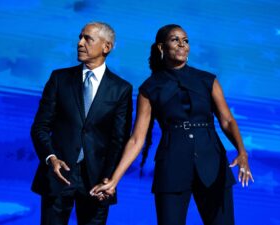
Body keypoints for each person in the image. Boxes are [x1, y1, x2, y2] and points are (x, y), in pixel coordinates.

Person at [90, 24, 253, 225]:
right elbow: (136, 139)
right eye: (175, 40)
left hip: (212, 163)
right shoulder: (149, 88)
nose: (182, 44)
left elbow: (227, 120)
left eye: (185, 40)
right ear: (161, 47)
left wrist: (242, 152)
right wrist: (114, 180)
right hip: (172, 166)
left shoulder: (207, 80)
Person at [30, 22, 133, 225]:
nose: (80, 43)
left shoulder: (121, 89)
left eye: (88, 38)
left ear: (106, 47)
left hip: (97, 182)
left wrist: (108, 179)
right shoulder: (59, 79)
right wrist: (51, 158)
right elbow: (40, 127)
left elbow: (118, 140)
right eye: (80, 37)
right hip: (58, 176)